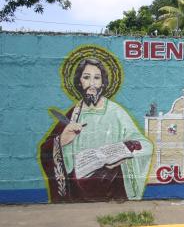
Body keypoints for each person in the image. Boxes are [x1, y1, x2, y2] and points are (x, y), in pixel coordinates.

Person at [40, 58, 153, 202]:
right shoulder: (74, 113)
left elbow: (146, 145)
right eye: (86, 77)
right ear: (79, 82)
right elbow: (46, 150)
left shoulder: (116, 112)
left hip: (112, 187)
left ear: (103, 82)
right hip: (77, 192)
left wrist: (123, 156)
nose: (92, 83)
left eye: (97, 78)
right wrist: (62, 140)